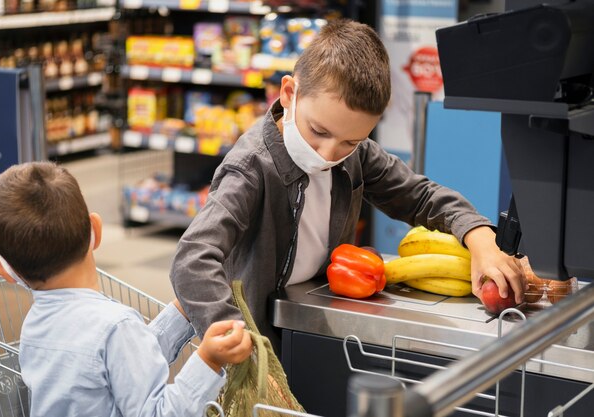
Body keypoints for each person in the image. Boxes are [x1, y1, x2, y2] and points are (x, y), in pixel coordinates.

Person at [169, 19, 526, 349]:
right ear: (290, 94)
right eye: (319, 131)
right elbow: (192, 259)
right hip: (256, 344)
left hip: (310, 329)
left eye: (349, 142)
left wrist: (478, 235)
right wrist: (230, 332)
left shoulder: (356, 157)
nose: (328, 153)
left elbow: (420, 196)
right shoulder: (251, 169)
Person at [0, 161, 252, 417]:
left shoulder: (35, 325)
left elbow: (123, 365)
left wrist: (180, 314)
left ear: (4, 269)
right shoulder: (117, 326)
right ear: (96, 231)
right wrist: (207, 361)